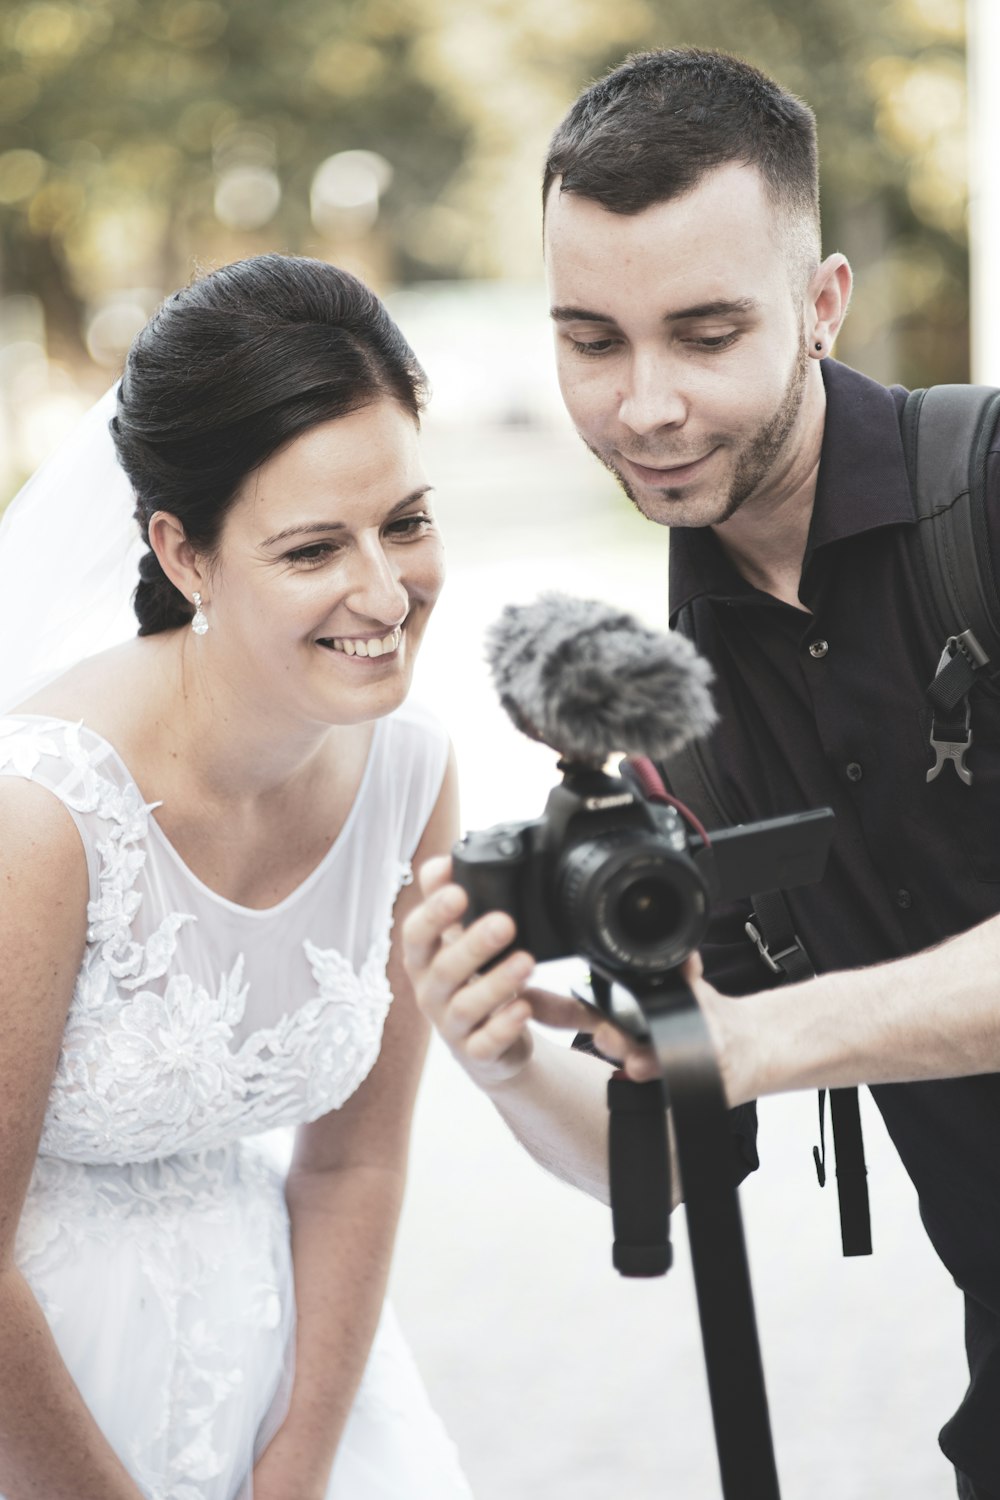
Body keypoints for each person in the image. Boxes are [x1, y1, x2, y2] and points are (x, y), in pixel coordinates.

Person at [401, 47, 1000, 1500]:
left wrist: (771, 1041)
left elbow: (753, 1049)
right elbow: (672, 1165)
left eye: (706, 332)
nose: (646, 405)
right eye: (593, 341)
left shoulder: (989, 499)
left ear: (822, 305)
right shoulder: (652, 705)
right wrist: (502, 1061)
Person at [0, 253, 473, 1500]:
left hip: (285, 1372)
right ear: (186, 553)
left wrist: (299, 1458)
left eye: (408, 522)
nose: (386, 592)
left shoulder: (412, 780)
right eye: (315, 548)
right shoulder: (44, 816)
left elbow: (353, 1163)